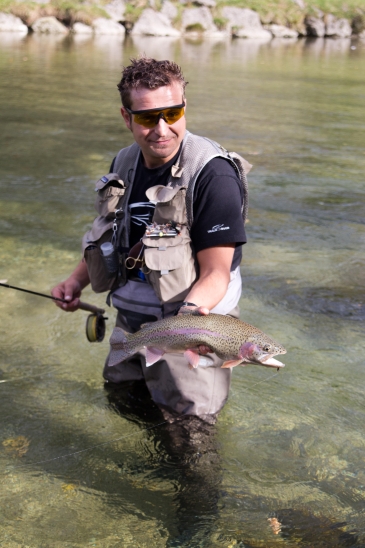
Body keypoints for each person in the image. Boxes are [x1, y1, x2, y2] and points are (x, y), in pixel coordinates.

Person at [52, 57, 251, 424]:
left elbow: (217, 273)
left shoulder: (214, 175)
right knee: (126, 406)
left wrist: (188, 324)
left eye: (172, 113)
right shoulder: (125, 161)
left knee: (189, 435)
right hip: (134, 320)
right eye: (147, 117)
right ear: (126, 117)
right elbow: (114, 233)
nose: (161, 129)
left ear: (184, 108)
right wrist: (75, 281)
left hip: (191, 322)